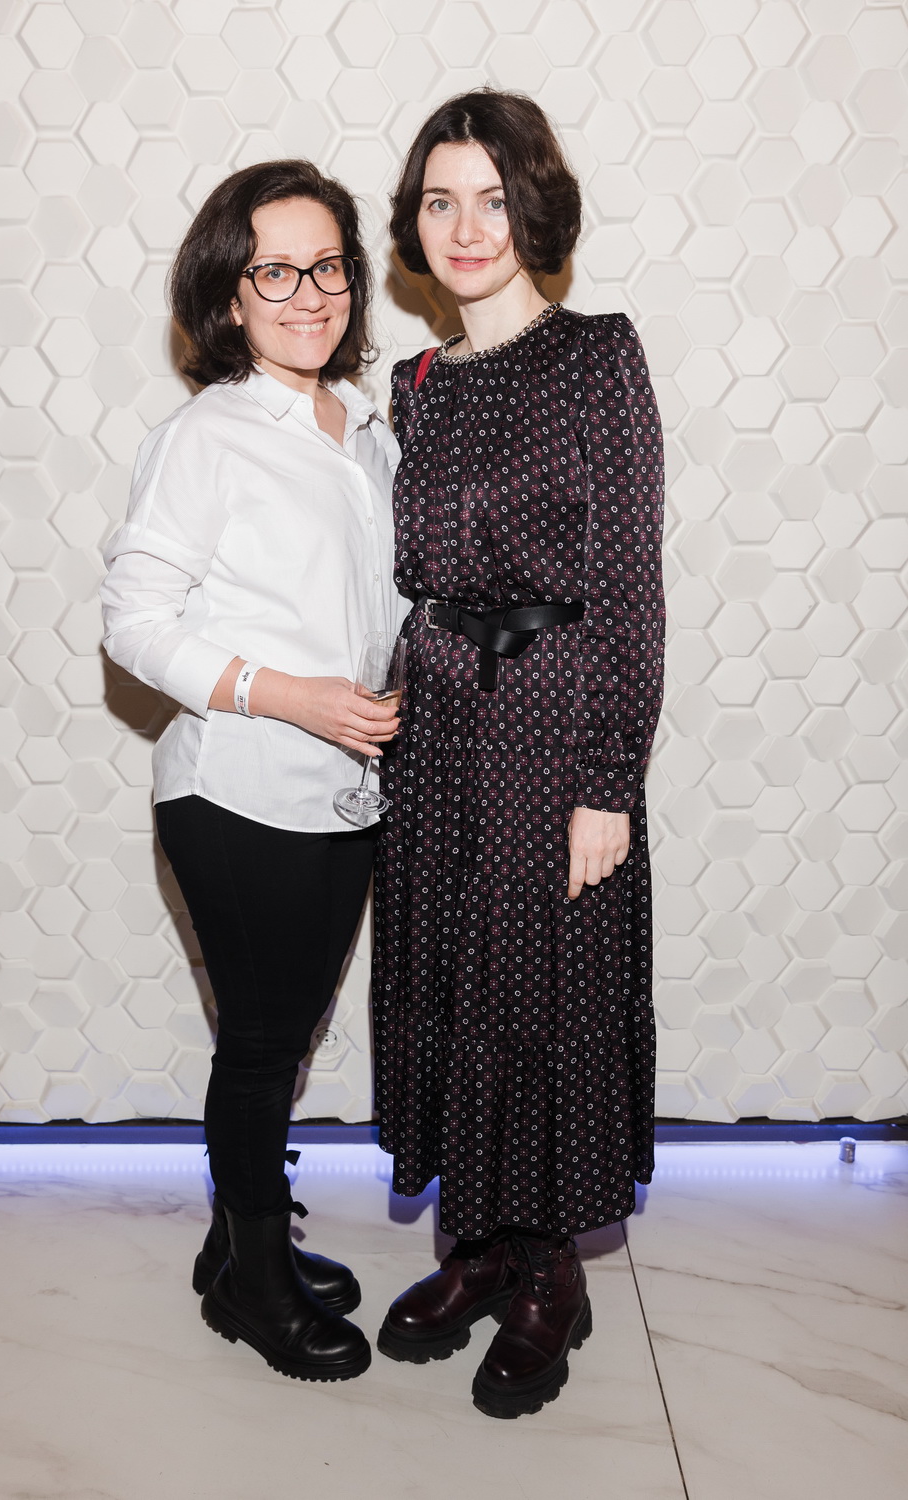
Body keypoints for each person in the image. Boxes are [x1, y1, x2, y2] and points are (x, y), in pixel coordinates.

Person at [372, 90, 666, 1420]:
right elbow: (403, 574)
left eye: (492, 197)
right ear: (415, 223)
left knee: (546, 988)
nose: (466, 225)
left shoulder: (597, 357)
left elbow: (630, 588)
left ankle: (550, 1270)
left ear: (535, 209)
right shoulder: (416, 384)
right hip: (436, 730)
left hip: (554, 728)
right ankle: (480, 1245)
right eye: (441, 200)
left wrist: (609, 778)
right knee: (454, 977)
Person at [100, 160, 404, 1384]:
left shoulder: (365, 431)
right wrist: (293, 696)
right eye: (275, 271)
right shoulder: (206, 438)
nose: (308, 292)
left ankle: (237, 1244)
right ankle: (256, 1291)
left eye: (327, 266)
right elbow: (133, 624)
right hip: (235, 794)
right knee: (265, 1044)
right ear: (229, 294)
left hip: (343, 793)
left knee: (281, 1035)